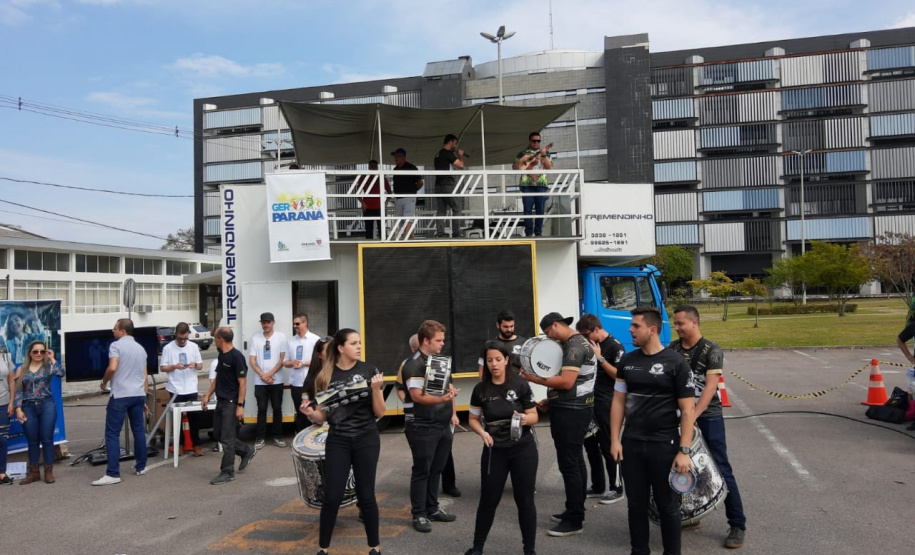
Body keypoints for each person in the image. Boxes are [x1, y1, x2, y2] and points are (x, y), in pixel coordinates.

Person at [610, 307, 696, 555]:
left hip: (665, 446)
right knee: (635, 505)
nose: (630, 330)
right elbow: (618, 402)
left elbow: (688, 411)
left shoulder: (676, 363)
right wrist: (615, 439)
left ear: (653, 329)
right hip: (633, 444)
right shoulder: (627, 361)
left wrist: (684, 450)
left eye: (636, 326)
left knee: (667, 506)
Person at [302, 328, 385, 555]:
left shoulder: (370, 371)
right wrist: (310, 414)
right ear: (340, 348)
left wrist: (376, 390)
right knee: (332, 496)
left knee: (366, 494)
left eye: (359, 342)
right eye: (354, 343)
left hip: (366, 438)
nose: (359, 347)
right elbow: (322, 417)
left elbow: (380, 413)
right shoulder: (325, 376)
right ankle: (323, 549)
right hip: (338, 440)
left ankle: (374, 547)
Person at [669, 305, 746, 549]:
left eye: (681, 323)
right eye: (675, 324)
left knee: (720, 468)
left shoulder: (711, 350)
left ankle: (737, 524)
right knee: (680, 468)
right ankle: (689, 516)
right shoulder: (672, 349)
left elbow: (711, 388)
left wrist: (692, 416)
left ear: (694, 322)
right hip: (679, 416)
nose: (677, 328)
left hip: (707, 415)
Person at [520, 312, 596, 537]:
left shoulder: (573, 346)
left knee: (569, 463)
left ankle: (574, 520)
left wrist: (533, 378)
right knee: (576, 461)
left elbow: (566, 381)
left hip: (572, 412)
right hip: (574, 407)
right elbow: (571, 383)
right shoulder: (578, 341)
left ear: (555, 325)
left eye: (548, 333)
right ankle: (575, 508)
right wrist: (550, 400)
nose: (549, 338)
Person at [465, 342, 539, 555]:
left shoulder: (521, 384)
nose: (494, 364)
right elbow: (472, 419)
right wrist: (483, 433)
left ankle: (529, 550)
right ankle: (477, 547)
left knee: (525, 500)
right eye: (489, 360)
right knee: (489, 499)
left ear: (507, 360)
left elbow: (534, 415)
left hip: (522, 448)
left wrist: (525, 419)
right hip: (494, 449)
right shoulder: (481, 390)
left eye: (498, 359)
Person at [400, 319, 459, 533]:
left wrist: (451, 407)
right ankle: (419, 514)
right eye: (439, 340)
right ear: (426, 340)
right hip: (422, 425)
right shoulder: (413, 364)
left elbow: (448, 386)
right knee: (422, 470)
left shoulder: (439, 360)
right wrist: (444, 399)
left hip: (442, 423)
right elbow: (417, 397)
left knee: (437, 468)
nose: (442, 343)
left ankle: (432, 508)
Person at [576, 313, 626, 505]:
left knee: (608, 445)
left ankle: (617, 487)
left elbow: (619, 376)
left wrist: (600, 358)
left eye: (587, 334)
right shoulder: (587, 344)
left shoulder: (615, 346)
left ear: (596, 330)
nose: (585, 339)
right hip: (589, 400)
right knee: (590, 444)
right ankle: (598, 485)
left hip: (607, 402)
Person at [94, 319, 147, 486]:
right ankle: (141, 466)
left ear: (123, 331)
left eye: (115, 328)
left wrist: (104, 382)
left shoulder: (115, 346)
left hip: (121, 394)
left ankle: (113, 473)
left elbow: (113, 367)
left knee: (112, 434)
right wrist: (144, 395)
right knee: (138, 430)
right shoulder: (141, 349)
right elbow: (144, 375)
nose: (113, 331)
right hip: (138, 394)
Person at [202, 327, 257, 485]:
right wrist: (207, 395)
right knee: (219, 434)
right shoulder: (222, 355)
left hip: (232, 403)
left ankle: (227, 471)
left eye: (215, 337)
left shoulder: (236, 357)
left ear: (221, 339)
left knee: (226, 438)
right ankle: (246, 450)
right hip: (221, 401)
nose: (214, 340)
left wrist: (240, 405)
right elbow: (218, 378)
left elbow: (243, 383)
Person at [13, 340, 64, 484]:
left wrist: (53, 358)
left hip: (46, 405)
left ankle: (48, 472)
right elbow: (18, 390)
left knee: (47, 439)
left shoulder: (48, 366)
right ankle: (34, 472)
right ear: (30, 353)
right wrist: (18, 409)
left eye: (42, 351)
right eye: (35, 351)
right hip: (28, 406)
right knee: (32, 440)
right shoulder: (22, 369)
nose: (39, 354)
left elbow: (61, 373)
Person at [160, 322, 205, 456]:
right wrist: (174, 366)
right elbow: (163, 367)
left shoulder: (193, 347)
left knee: (194, 418)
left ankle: (196, 445)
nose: (181, 341)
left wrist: (194, 365)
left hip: (190, 386)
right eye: (179, 339)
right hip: (175, 387)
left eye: (184, 339)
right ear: (175, 335)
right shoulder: (168, 348)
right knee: (177, 418)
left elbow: (201, 366)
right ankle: (179, 445)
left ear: (188, 336)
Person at [249, 312, 287, 449]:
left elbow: (282, 359)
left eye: (268, 322)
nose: (266, 325)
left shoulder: (281, 337)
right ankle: (260, 438)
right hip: (260, 382)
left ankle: (278, 436)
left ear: (273, 322)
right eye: (264, 322)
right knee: (262, 409)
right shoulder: (256, 338)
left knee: (277, 408)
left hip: (276, 380)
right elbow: (252, 361)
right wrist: (262, 375)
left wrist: (269, 374)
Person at [512, 132, 553, 237]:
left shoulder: (545, 153)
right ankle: (529, 232)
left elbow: (549, 167)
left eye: (538, 141)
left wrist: (543, 155)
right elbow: (515, 167)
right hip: (527, 185)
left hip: (541, 184)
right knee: (527, 210)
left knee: (540, 209)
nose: (536, 143)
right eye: (534, 141)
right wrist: (522, 159)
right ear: (529, 141)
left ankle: (538, 232)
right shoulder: (522, 153)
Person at [285, 314, 321, 432]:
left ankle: (313, 438)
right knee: (300, 411)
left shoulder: (315, 340)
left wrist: (303, 363)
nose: (295, 326)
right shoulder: (290, 341)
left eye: (297, 324)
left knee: (313, 410)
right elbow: (285, 362)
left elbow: (320, 360)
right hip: (296, 382)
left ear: (305, 323)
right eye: (294, 324)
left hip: (311, 382)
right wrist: (292, 363)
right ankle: (300, 437)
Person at [477, 309, 528, 377]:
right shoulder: (489, 345)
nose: (509, 330)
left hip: (519, 385)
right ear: (498, 325)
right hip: (496, 385)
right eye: (505, 327)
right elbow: (482, 369)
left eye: (511, 326)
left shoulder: (524, 343)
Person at [433, 134, 465, 238]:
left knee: (441, 210)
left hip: (438, 185)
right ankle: (456, 233)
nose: (456, 146)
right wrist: (460, 155)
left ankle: (440, 233)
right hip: (447, 184)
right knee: (456, 208)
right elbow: (461, 165)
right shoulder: (447, 153)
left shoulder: (438, 154)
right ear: (450, 142)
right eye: (455, 143)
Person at [390, 148, 424, 239]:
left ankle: (406, 238)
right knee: (401, 220)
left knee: (408, 219)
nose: (396, 158)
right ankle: (410, 238)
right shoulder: (395, 169)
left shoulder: (411, 168)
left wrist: (412, 191)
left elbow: (420, 183)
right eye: (395, 156)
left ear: (403, 157)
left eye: (398, 156)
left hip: (409, 197)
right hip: (398, 198)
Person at [358, 160, 392, 240]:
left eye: (374, 166)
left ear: (377, 167)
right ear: (369, 167)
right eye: (371, 166)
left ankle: (384, 245)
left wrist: (385, 202)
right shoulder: (363, 178)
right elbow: (357, 193)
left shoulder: (382, 178)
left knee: (382, 229)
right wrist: (362, 203)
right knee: (368, 229)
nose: (373, 168)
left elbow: (390, 192)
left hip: (379, 206)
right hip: (367, 206)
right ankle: (368, 247)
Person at [302, 336, 331, 407]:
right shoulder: (313, 375)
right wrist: (305, 401)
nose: (332, 353)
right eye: (328, 350)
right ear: (319, 355)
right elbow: (305, 392)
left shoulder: (341, 370)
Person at [0, 346, 13, 484]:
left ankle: (1, 473)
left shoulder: (5, 357)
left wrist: (11, 402)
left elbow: (11, 381)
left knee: (2, 440)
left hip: (3, 403)